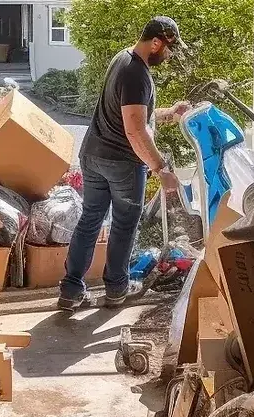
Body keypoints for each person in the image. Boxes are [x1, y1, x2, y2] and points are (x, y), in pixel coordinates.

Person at [59, 16, 190, 310]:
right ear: (156, 42)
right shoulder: (137, 74)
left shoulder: (123, 58)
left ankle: (70, 291)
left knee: (90, 220)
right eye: (168, 49)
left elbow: (131, 115)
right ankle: (117, 289)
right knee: (123, 225)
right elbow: (135, 130)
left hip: (93, 154)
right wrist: (162, 169)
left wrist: (169, 113)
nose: (168, 56)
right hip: (122, 163)